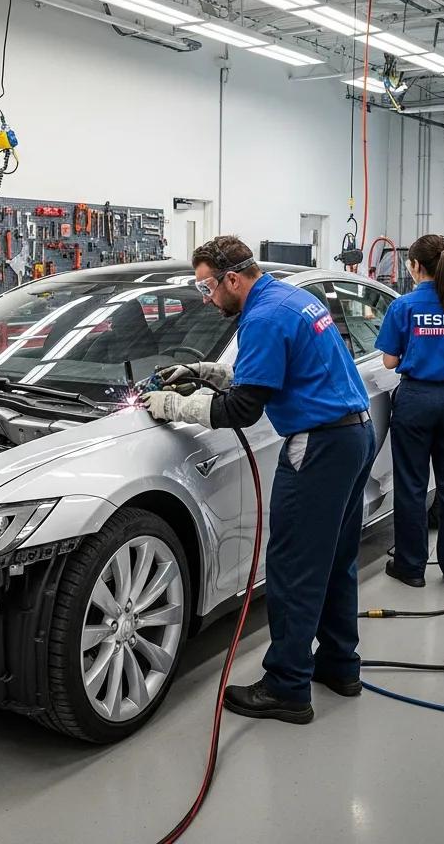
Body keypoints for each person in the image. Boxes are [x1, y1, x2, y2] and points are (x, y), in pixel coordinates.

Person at [141, 236, 377, 725]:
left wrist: (174, 406)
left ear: (232, 279)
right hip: (355, 436)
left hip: (319, 446)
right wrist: (208, 371)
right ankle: (339, 665)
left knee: (291, 566)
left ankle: (288, 686)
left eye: (208, 287)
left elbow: (243, 410)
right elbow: (277, 374)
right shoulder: (289, 297)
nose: (207, 299)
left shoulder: (263, 318)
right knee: (335, 560)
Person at [375, 234, 444, 591]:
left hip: (416, 401)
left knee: (412, 485)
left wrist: (415, 352)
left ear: (415, 266)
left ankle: (411, 567)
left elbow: (389, 362)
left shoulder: (403, 307)